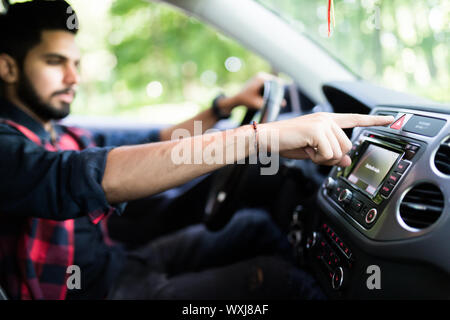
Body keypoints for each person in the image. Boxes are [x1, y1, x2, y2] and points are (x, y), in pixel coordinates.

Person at [0, 1, 394, 300]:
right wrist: (259, 137)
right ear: (8, 68)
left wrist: (223, 107)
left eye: (76, 63)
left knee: (254, 225)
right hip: (100, 292)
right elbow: (98, 175)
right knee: (281, 281)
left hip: (118, 260)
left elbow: (161, 140)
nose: (74, 77)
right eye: (55, 62)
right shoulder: (7, 149)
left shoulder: (61, 132)